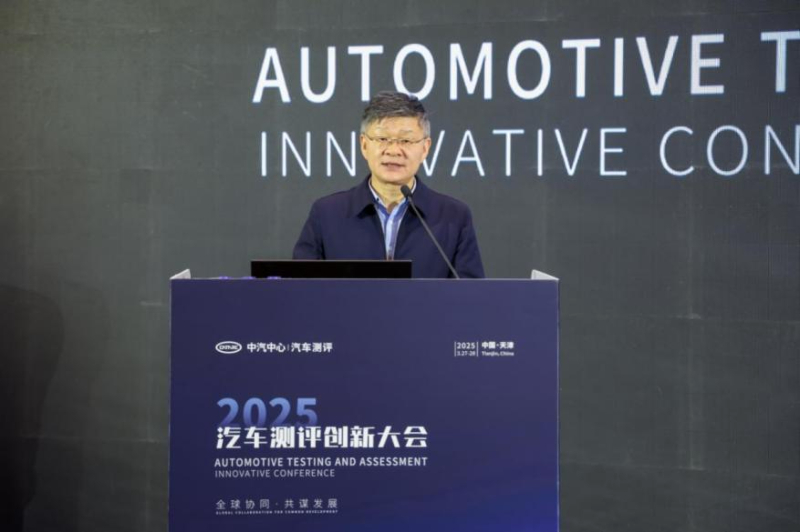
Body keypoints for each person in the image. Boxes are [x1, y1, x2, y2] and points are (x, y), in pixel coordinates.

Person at [292, 91, 485, 278]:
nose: (393, 150)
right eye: (383, 139)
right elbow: (299, 291)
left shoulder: (453, 218)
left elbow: (470, 296)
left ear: (425, 148)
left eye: (406, 140)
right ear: (364, 145)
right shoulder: (326, 215)